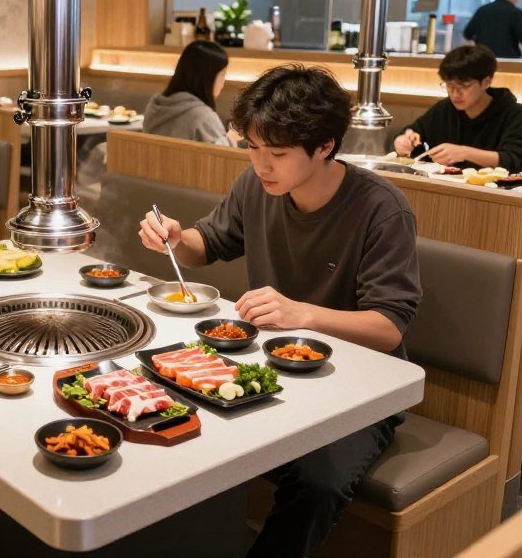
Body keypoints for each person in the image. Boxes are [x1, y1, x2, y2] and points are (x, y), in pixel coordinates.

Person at [139, 65, 421, 558]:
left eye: (277, 153)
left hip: (363, 387)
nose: (261, 165)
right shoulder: (257, 186)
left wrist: (302, 314)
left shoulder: (381, 208)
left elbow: (389, 327)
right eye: (252, 147)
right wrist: (177, 239)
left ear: (324, 147)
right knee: (179, 419)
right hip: (271, 366)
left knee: (319, 481)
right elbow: (208, 244)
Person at [392, 44, 522, 173]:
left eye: (463, 86)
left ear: (486, 82)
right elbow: (414, 133)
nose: (455, 93)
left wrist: (465, 153)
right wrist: (403, 141)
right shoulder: (444, 109)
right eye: (449, 85)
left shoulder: (513, 114)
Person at [142, 40, 238, 146]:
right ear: (206, 78)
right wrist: (232, 137)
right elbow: (221, 158)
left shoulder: (153, 107)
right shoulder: (203, 116)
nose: (224, 81)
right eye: (223, 74)